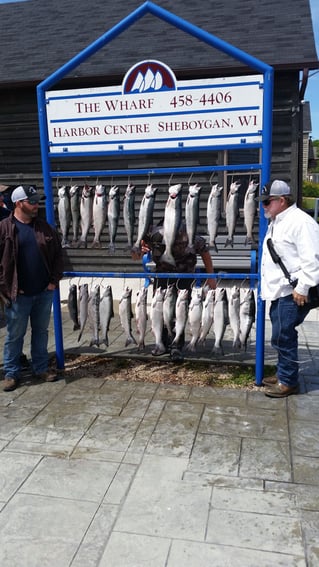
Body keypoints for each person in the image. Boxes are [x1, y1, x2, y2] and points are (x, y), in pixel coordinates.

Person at [258, 179, 319, 398]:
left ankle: (289, 382)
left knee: (284, 336)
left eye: (267, 202)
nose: (263, 206)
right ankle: (285, 373)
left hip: (291, 292)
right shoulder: (278, 220)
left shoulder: (300, 222)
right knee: (280, 336)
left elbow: (312, 258)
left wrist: (302, 288)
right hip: (279, 291)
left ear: (282, 200)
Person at [0, 185, 64, 392]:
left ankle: (40, 368)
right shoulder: (4, 228)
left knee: (41, 332)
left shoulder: (45, 228)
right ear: (18, 203)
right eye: (32, 201)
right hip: (17, 295)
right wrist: (5, 288)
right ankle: (11, 372)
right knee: (14, 335)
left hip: (43, 292)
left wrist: (53, 282)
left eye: (38, 201)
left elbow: (58, 257)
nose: (37, 205)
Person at [132, 222, 215, 360]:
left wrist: (211, 276)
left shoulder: (189, 232)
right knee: (159, 312)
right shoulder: (152, 233)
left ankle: (177, 345)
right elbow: (136, 255)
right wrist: (140, 251)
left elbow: (205, 251)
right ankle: (161, 342)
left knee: (180, 312)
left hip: (184, 275)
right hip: (162, 274)